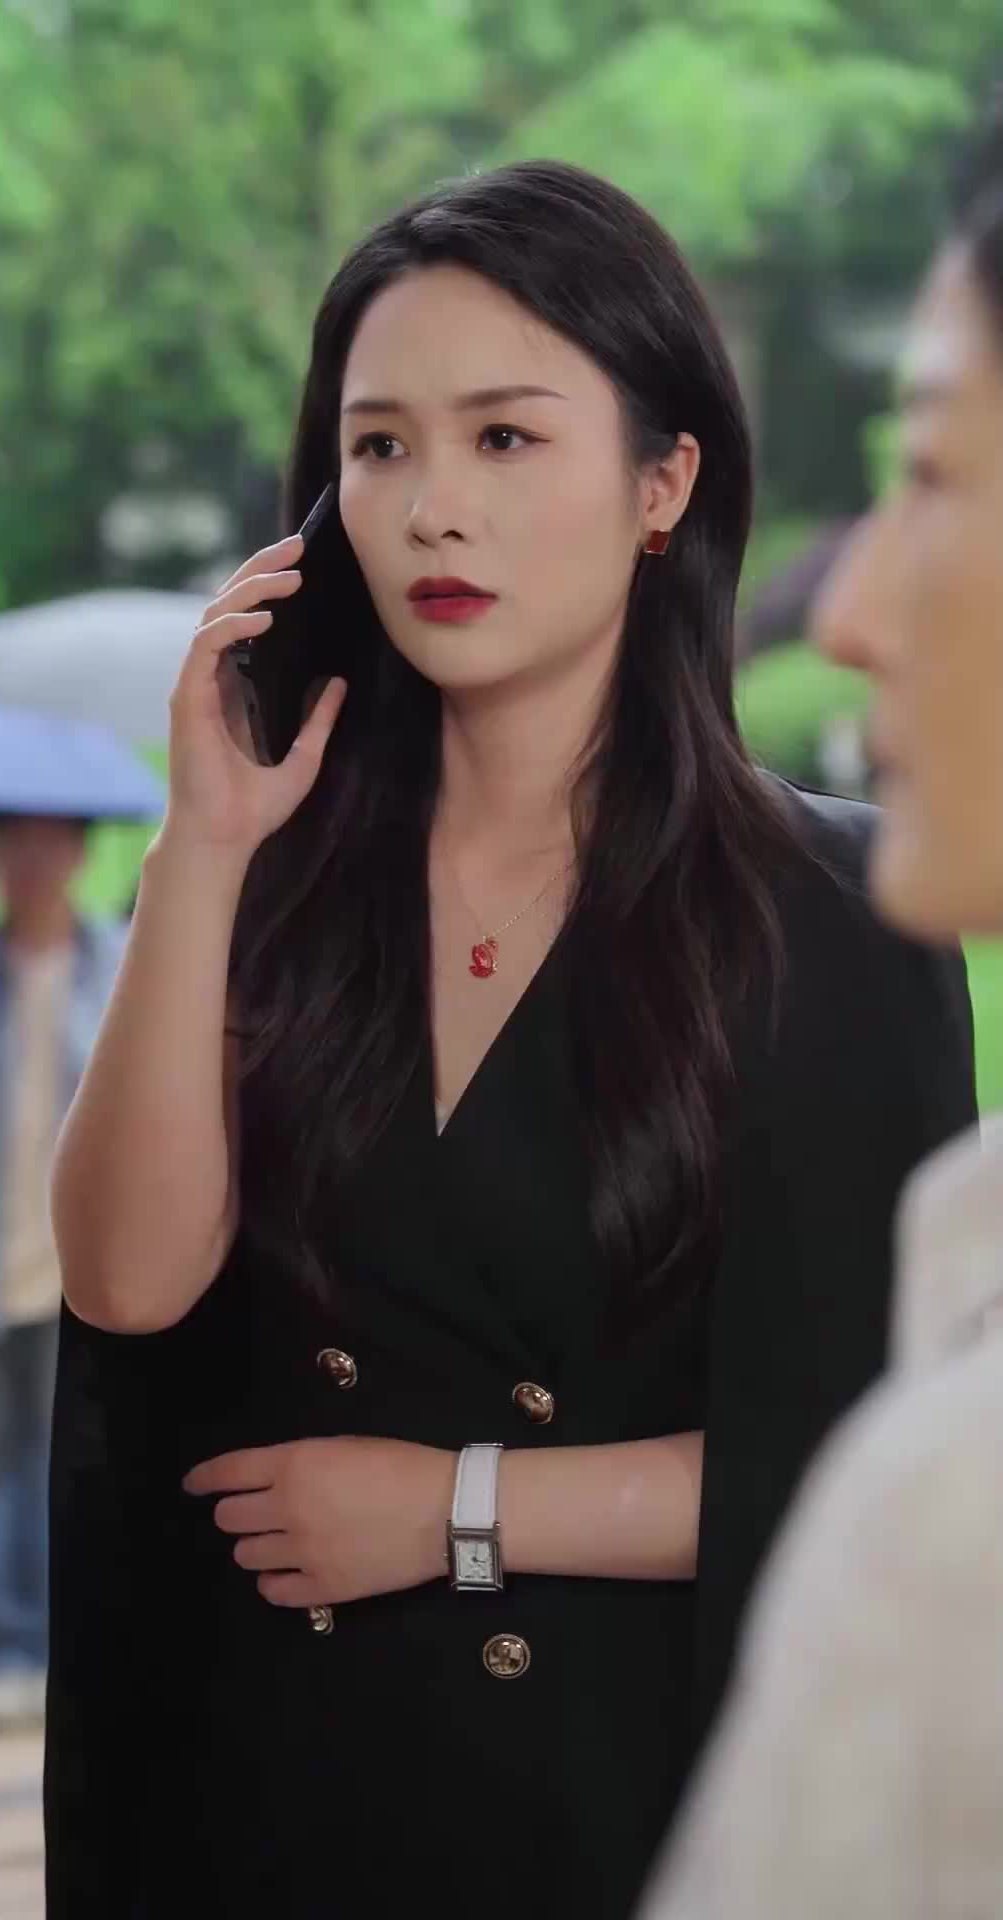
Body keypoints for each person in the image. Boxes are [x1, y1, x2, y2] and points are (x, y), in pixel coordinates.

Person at [45, 161, 976, 1920]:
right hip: (274, 1793)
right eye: (379, 447)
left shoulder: (836, 913)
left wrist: (455, 1508)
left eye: (504, 438)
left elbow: (870, 1454)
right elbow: (126, 1286)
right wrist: (201, 851)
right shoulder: (273, 878)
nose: (432, 510)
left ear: (662, 483)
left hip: (619, 1808)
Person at [642, 107, 1003, 1920]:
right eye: (374, 442)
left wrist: (454, 1508)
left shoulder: (955, 1532)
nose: (850, 611)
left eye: (933, 471)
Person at [0, 815, 124, 1730]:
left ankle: (62, 1645)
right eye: (10, 845)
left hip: (85, 1262)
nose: (26, 863)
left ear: (78, 853)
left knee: (66, 1466)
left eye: (46, 844)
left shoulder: (118, 963)